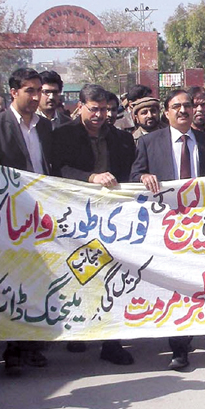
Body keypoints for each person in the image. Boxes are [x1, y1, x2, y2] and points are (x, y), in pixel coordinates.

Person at [130, 89, 205, 371]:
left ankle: (193, 332)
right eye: (177, 106)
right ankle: (179, 347)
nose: (183, 111)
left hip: (201, 225)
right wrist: (143, 176)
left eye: (188, 106)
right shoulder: (150, 142)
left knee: (197, 283)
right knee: (175, 287)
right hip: (167, 227)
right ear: (166, 112)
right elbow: (134, 174)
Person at [52, 84, 137, 365]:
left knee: (112, 276)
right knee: (81, 274)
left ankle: (112, 342)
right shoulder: (62, 136)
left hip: (113, 219)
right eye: (95, 109)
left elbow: (132, 172)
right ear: (81, 107)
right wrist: (91, 178)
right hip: (76, 217)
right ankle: (80, 332)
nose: (101, 115)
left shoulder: (121, 139)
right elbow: (57, 171)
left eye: (106, 109)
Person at [0, 68, 53, 373]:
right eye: (30, 91)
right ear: (13, 92)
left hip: (42, 215)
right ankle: (12, 350)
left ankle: (33, 346)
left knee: (38, 281)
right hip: (8, 218)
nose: (37, 97)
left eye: (40, 91)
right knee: (12, 283)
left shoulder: (45, 127)